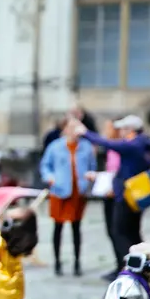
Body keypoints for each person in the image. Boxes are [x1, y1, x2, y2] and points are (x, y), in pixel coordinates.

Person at [77, 115, 150, 282]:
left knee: (120, 232)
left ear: (132, 130)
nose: (122, 132)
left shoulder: (134, 144)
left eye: (124, 129)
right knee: (132, 232)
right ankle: (142, 265)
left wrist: (85, 133)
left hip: (127, 195)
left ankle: (131, 268)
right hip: (134, 194)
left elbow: (108, 143)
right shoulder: (142, 143)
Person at [40, 118, 97, 276]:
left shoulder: (86, 147)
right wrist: (50, 177)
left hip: (78, 191)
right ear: (64, 130)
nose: (73, 131)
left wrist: (89, 178)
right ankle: (57, 262)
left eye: (76, 127)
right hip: (59, 190)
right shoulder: (55, 146)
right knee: (58, 227)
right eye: (70, 128)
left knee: (76, 227)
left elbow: (92, 165)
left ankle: (77, 262)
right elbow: (45, 165)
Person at [101, 118, 123, 279]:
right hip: (108, 191)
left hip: (117, 194)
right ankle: (119, 264)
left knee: (118, 230)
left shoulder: (121, 147)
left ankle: (123, 266)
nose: (105, 132)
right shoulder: (111, 148)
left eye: (108, 129)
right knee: (111, 230)